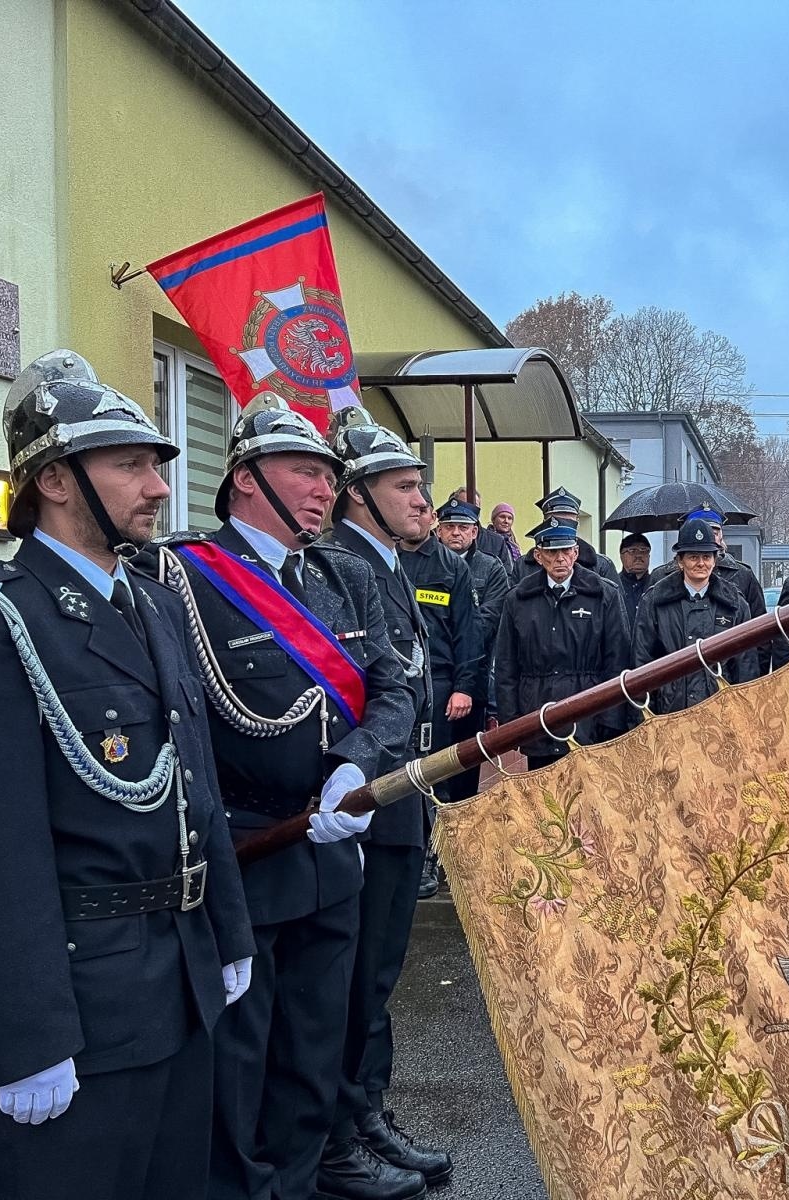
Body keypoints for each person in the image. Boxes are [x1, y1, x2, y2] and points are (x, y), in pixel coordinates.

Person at [0, 352, 255, 1200]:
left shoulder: (154, 601)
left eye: (156, 466)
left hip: (180, 978)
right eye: (131, 465)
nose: (159, 487)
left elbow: (193, 783)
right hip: (80, 1000)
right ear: (56, 480)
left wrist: (231, 934)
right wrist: (28, 1034)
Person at [151, 395, 417, 1200]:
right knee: (239, 1062)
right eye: (303, 470)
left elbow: (393, 691)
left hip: (329, 853)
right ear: (243, 478)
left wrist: (354, 764)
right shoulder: (178, 574)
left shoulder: (341, 575)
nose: (321, 489)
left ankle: (301, 1183)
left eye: (329, 477)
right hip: (244, 852)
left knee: (311, 1053)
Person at [322, 408, 453, 1194]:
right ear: (357, 496)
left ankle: (367, 1110)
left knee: (378, 976)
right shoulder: (343, 566)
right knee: (356, 975)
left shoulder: (388, 563)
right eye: (405, 487)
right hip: (366, 796)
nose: (421, 501)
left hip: (402, 792)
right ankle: (347, 1121)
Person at [495, 522, 633, 770]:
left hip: (588, 712)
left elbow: (617, 660)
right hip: (536, 712)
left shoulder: (603, 594)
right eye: (552, 552)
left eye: (566, 551)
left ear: (576, 553)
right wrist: (511, 723)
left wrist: (612, 718)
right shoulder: (518, 599)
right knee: (544, 795)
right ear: (538, 556)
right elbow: (506, 664)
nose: (560, 559)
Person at [397, 489, 482, 857]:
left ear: (431, 518)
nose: (416, 517)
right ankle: (408, 848)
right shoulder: (387, 561)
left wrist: (464, 687)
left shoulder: (451, 567)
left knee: (436, 772)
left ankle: (437, 856)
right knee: (397, 771)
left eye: (423, 511)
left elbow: (468, 633)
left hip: (440, 684)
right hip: (394, 684)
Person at [633, 519, 758, 713]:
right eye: (693, 557)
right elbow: (642, 661)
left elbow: (746, 664)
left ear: (715, 560)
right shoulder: (655, 601)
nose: (701, 563)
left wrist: (746, 710)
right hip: (670, 710)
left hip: (722, 709)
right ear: (680, 561)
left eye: (707, 557)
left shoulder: (734, 603)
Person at [435, 495, 510, 799]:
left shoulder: (491, 569)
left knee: (465, 759)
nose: (456, 532)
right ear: (438, 530)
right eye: (450, 526)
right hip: (432, 679)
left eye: (463, 527)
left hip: (473, 678)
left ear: (475, 532)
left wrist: (448, 626)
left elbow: (487, 621)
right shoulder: (425, 564)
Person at [513, 487, 620, 586]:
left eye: (568, 521)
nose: (562, 525)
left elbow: (615, 603)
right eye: (557, 519)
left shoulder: (601, 565)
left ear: (577, 523)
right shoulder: (523, 565)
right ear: (545, 522)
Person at [616, 532, 652, 625]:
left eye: (644, 550)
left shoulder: (656, 585)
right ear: (621, 556)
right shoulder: (614, 586)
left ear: (649, 555)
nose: (638, 555)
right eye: (632, 551)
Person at [484, 501, 520, 572]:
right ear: (493, 519)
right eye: (502, 517)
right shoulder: (487, 539)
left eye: (509, 518)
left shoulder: (513, 543)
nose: (506, 521)